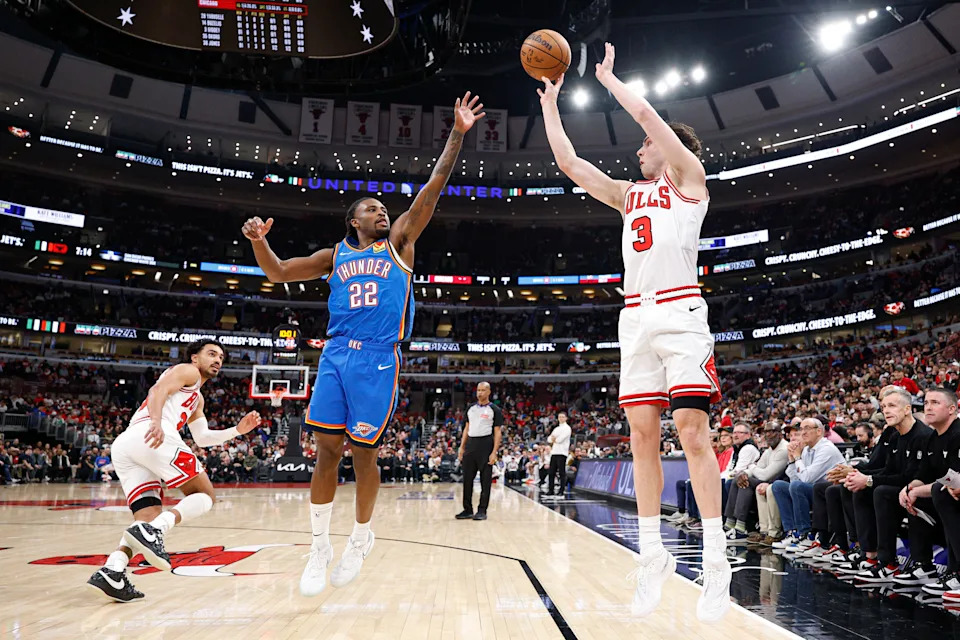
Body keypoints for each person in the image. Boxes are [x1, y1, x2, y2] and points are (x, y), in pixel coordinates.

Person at [243, 91, 484, 597]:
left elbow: (433, 188)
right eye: (372, 208)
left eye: (383, 208)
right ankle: (318, 548)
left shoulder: (398, 243)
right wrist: (260, 242)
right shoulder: (333, 255)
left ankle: (360, 537)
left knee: (362, 454)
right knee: (326, 451)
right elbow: (280, 272)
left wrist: (457, 134)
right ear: (353, 219)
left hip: (378, 359)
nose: (382, 212)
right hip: (335, 354)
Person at [539, 41, 728, 621]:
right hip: (634, 317)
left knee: (692, 432)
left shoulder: (690, 181)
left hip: (680, 314)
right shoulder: (629, 197)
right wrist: (552, 102)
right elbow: (571, 164)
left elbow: (648, 117)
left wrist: (607, 80)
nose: (639, 147)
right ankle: (653, 556)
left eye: (648, 145)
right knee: (642, 438)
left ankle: (716, 561)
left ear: (674, 150)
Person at [87, 340, 260, 602]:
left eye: (221, 357)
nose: (217, 360)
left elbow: (202, 438)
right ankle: (156, 531)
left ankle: (114, 569)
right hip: (153, 433)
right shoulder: (187, 372)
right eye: (211, 354)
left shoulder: (196, 398)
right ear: (194, 358)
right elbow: (157, 390)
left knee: (148, 515)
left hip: (127, 445)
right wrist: (156, 422)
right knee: (204, 495)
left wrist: (237, 431)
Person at [770, 418, 844, 552]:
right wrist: (792, 459)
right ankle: (792, 532)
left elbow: (807, 479)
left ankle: (806, 535)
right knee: (778, 486)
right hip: (813, 490)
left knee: (798, 487)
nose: (803, 432)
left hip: (829, 491)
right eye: (801, 429)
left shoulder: (826, 448)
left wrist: (797, 457)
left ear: (819, 431)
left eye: (807, 428)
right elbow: (794, 479)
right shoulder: (807, 450)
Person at [725, 421, 789, 542]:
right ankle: (730, 523)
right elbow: (757, 468)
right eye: (766, 432)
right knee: (737, 479)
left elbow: (765, 475)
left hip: (779, 483)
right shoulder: (769, 450)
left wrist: (750, 468)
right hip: (768, 482)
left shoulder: (783, 449)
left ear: (780, 434)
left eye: (772, 431)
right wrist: (743, 473)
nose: (768, 435)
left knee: (747, 482)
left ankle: (740, 527)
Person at [456, 382, 503, 520]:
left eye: (483, 390)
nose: (480, 393)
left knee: (485, 480)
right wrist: (462, 447)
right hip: (471, 443)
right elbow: (466, 428)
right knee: (467, 479)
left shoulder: (494, 409)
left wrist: (494, 451)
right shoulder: (470, 408)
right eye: (478, 390)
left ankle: (482, 510)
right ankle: (467, 509)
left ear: (489, 392)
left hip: (486, 443)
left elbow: (498, 432)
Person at [545, 412, 572, 497]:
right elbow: (549, 439)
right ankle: (551, 490)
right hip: (554, 452)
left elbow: (560, 439)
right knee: (551, 472)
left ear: (566, 418)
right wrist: (554, 439)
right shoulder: (556, 428)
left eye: (562, 417)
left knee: (561, 472)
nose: (561, 418)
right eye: (559, 417)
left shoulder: (567, 428)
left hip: (562, 452)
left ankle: (561, 490)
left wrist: (554, 438)